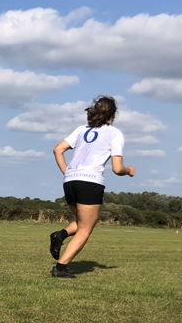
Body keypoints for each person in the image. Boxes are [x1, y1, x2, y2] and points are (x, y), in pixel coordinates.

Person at [48, 96, 135, 278]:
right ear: (113, 114)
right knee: (86, 229)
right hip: (90, 181)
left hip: (70, 180)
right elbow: (118, 169)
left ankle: (61, 234)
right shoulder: (114, 133)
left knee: (82, 222)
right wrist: (129, 171)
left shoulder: (81, 130)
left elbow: (58, 150)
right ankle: (60, 268)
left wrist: (67, 172)